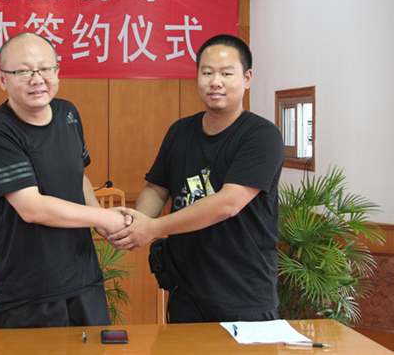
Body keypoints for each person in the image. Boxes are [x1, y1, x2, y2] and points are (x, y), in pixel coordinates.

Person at [109, 34, 284, 323]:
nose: (215, 82)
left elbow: (228, 204)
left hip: (243, 295)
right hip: (185, 291)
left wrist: (152, 228)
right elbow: (156, 189)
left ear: (247, 78)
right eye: (207, 72)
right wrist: (136, 223)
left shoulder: (262, 136)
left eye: (226, 73)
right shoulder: (180, 131)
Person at [0, 32, 129, 329]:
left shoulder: (68, 112)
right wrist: (105, 217)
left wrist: (100, 221)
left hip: (84, 278)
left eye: (46, 68)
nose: (37, 79)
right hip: (29, 290)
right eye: (23, 71)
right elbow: (32, 208)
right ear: (2, 79)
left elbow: (78, 175)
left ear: (57, 71)